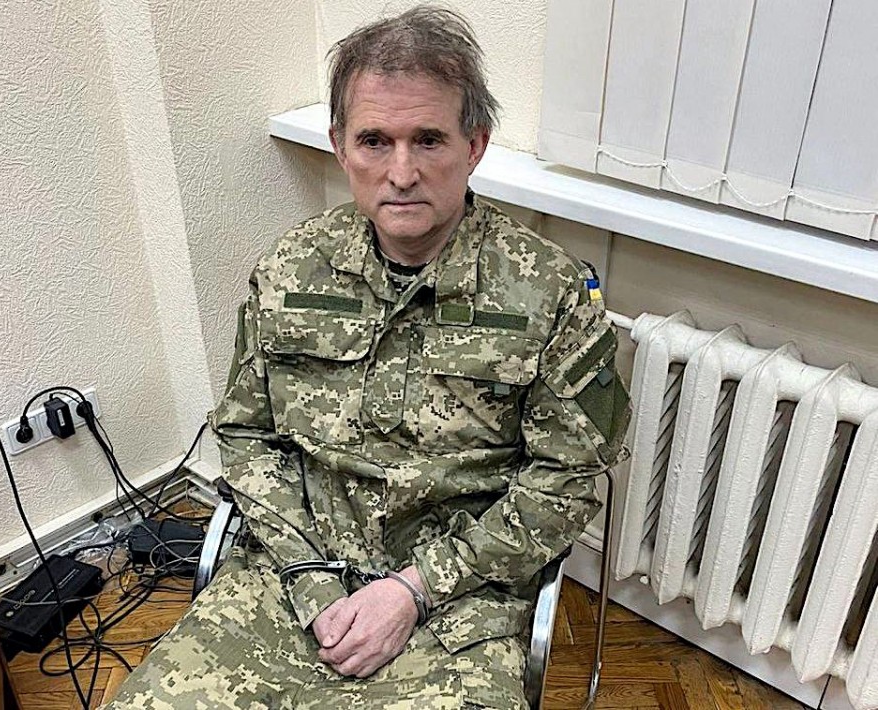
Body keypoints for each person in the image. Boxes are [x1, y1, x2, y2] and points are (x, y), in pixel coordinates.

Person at [105, 5, 630, 709]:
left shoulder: (548, 292)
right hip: (285, 579)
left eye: (429, 140)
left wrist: (416, 588)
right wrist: (311, 581)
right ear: (340, 146)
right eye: (375, 141)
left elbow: (566, 482)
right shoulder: (290, 270)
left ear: (475, 145)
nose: (401, 172)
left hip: (457, 603)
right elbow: (246, 434)